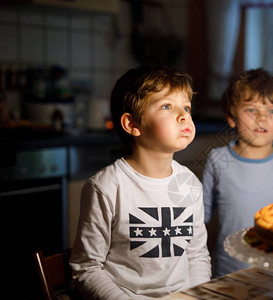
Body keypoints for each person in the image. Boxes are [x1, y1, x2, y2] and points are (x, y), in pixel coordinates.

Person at [70, 65, 211, 299]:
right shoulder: (105, 187)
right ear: (132, 124)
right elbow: (87, 268)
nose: (184, 115)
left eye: (186, 107)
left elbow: (197, 257)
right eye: (167, 106)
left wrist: (196, 296)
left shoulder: (190, 183)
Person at [203, 68, 273, 277]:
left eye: (272, 111)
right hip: (230, 273)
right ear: (232, 118)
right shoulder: (218, 160)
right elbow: (200, 219)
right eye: (252, 110)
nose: (262, 118)